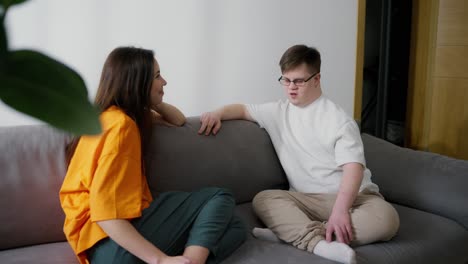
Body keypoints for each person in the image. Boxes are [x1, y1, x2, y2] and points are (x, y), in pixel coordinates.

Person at [198, 44, 399, 264]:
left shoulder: (338, 119)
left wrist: (340, 211)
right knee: (264, 199)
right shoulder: (277, 111)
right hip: (308, 201)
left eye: (299, 81)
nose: (291, 87)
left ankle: (293, 235)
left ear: (316, 79)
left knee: (387, 219)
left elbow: (354, 168)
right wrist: (216, 113)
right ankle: (315, 242)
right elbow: (242, 109)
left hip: (355, 199)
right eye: (286, 80)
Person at [60, 47, 246, 264]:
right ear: (138, 83)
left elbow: (178, 120)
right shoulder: (121, 127)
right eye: (157, 76)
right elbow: (106, 215)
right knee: (219, 197)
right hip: (111, 243)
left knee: (236, 228)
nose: (164, 82)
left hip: (95, 243)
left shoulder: (106, 116)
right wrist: (160, 259)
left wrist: (152, 99)